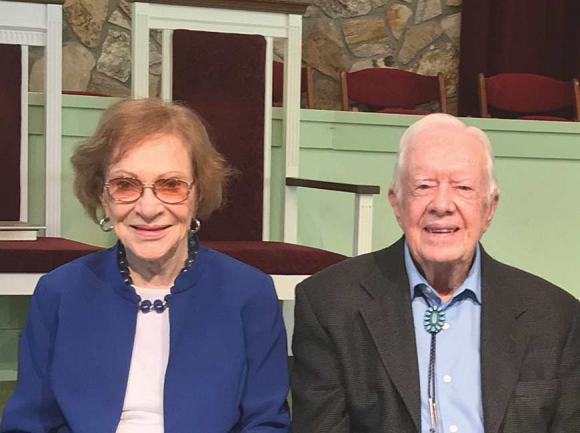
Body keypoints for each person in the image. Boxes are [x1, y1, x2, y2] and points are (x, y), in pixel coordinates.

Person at [0, 98, 290, 432]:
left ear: (197, 194)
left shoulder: (249, 292)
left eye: (171, 185)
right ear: (102, 196)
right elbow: (29, 423)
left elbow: (266, 423)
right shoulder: (60, 291)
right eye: (125, 185)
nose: (148, 208)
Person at [291, 113, 580, 433]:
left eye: (463, 187)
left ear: (490, 208)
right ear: (397, 203)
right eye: (424, 186)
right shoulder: (330, 304)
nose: (442, 204)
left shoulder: (555, 316)